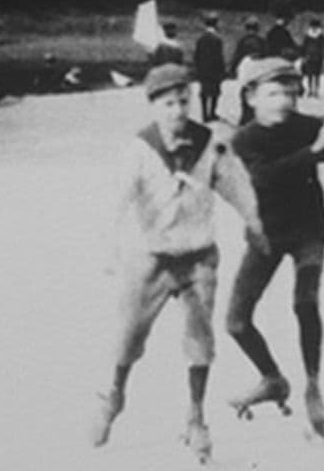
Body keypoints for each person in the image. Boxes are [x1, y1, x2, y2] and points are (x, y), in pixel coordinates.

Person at [91, 64, 269, 463]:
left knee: (200, 341)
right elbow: (116, 201)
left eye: (184, 101)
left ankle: (196, 417)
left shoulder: (210, 144)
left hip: (198, 257)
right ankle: (115, 396)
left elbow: (236, 185)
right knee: (129, 336)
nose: (178, 110)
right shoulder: (140, 149)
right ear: (154, 106)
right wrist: (110, 247)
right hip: (152, 258)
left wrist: (254, 222)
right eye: (168, 103)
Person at [227, 58, 324, 439]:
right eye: (273, 93)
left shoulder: (308, 127)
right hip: (266, 236)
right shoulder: (245, 140)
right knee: (236, 322)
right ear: (251, 98)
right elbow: (264, 178)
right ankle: (272, 379)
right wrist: (315, 150)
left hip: (309, 232)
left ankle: (313, 387)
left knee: (305, 303)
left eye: (289, 93)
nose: (283, 101)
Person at [231, 18, 266, 125]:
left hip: (246, 68)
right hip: (258, 69)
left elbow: (237, 56)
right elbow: (266, 55)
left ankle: (245, 116)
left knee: (245, 91)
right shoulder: (261, 41)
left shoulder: (243, 41)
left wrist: (233, 69)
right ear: (257, 29)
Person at [194, 13, 225, 122]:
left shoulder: (200, 39)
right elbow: (219, 57)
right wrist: (222, 70)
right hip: (214, 70)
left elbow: (197, 55)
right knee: (215, 92)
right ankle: (212, 112)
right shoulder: (217, 39)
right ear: (216, 24)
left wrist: (198, 68)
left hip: (203, 69)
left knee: (204, 91)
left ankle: (204, 114)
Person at [300, 19, 324, 98]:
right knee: (310, 74)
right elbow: (304, 46)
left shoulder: (320, 36)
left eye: (315, 26)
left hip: (318, 57)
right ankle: (310, 90)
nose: (314, 28)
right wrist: (303, 55)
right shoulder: (308, 36)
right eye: (313, 26)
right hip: (309, 56)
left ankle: (316, 90)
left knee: (317, 74)